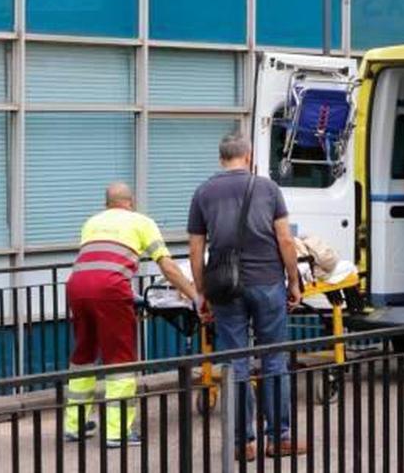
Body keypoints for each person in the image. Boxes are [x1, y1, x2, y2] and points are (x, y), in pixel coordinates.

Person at [188, 133, 304, 461]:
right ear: (248, 156)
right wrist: (293, 281)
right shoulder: (268, 188)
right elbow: (285, 240)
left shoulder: (203, 192)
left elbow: (196, 248)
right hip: (267, 282)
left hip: (224, 286)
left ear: (221, 158)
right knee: (274, 359)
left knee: (235, 362)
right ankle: (279, 438)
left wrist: (201, 292)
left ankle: (242, 443)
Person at [65, 182, 200, 446]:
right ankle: (117, 432)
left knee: (83, 355)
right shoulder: (141, 222)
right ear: (131, 202)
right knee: (121, 361)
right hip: (111, 290)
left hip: (76, 287)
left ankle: (75, 424)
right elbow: (168, 267)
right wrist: (194, 294)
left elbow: (97, 263)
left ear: (107, 204)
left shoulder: (91, 223)